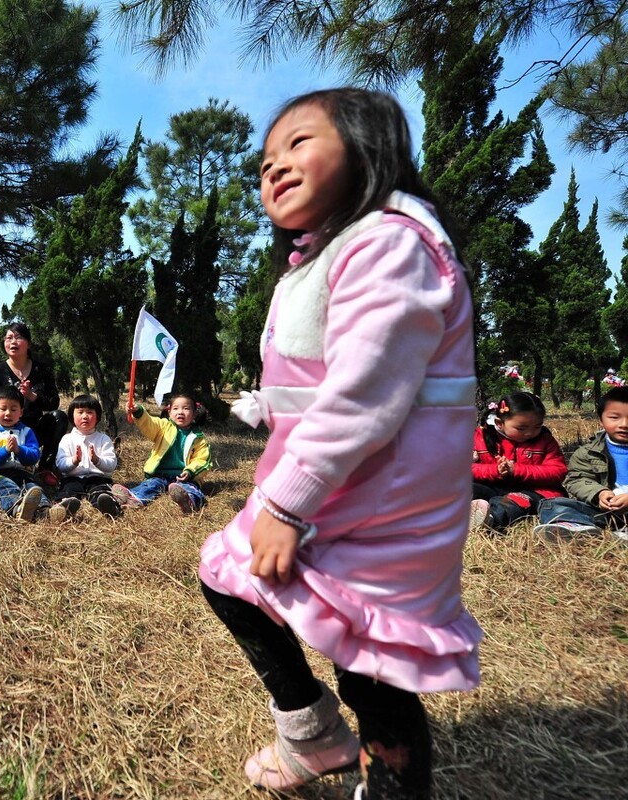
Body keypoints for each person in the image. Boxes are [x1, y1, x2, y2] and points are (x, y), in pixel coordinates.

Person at [199, 89, 481, 800]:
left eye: (298, 143)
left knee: (372, 667)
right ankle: (313, 731)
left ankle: (389, 785)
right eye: (264, 161)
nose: (274, 167)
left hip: (387, 501)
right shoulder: (324, 253)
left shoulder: (389, 240)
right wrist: (267, 407)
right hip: (340, 486)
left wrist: (288, 504)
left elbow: (366, 391)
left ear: (368, 148)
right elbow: (328, 370)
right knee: (227, 575)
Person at [533, 385, 628, 541]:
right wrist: (599, 493)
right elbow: (577, 479)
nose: (624, 424)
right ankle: (575, 527)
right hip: (607, 512)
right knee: (553, 503)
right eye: (614, 417)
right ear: (601, 419)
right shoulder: (588, 452)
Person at [470, 392, 566, 531]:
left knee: (514, 501)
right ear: (499, 423)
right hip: (492, 485)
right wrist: (496, 471)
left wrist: (517, 470)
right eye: (521, 428)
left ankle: (489, 520)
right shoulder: (480, 437)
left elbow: (558, 471)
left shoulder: (545, 440)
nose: (529, 433)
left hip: (533, 491)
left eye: (537, 427)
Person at [0, 323, 68, 472]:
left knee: (59, 417)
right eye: (9, 338)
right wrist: (8, 401)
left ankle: (45, 468)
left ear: (29, 343)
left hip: (33, 430)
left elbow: (53, 403)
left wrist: (31, 396)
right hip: (6, 430)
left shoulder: (42, 369)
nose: (13, 342)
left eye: (18, 337)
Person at [0, 385, 73, 523]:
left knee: (35, 489)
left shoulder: (27, 432)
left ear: (21, 412)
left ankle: (45, 511)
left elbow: (34, 455)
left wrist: (19, 450)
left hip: (23, 473)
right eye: (3, 409)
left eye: (13, 409)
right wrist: (5, 450)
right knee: (7, 488)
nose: (8, 413)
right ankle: (17, 509)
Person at [111, 394, 210, 514]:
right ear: (169, 412)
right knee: (150, 486)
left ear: (194, 414)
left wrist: (190, 471)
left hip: (184, 478)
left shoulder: (198, 438)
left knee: (190, 488)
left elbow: (202, 460)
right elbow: (150, 424)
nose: (180, 412)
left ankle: (189, 500)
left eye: (186, 408)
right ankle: (133, 498)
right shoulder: (163, 426)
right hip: (160, 475)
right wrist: (138, 412)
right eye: (176, 408)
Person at [55, 394, 120, 518]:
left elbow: (112, 464)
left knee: (101, 492)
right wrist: (74, 461)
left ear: (98, 416)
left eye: (89, 412)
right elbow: (61, 465)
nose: (85, 416)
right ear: (72, 416)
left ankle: (109, 507)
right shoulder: (67, 439)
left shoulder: (103, 439)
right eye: (80, 412)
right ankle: (63, 509)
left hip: (98, 478)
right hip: (72, 478)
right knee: (68, 491)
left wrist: (97, 460)